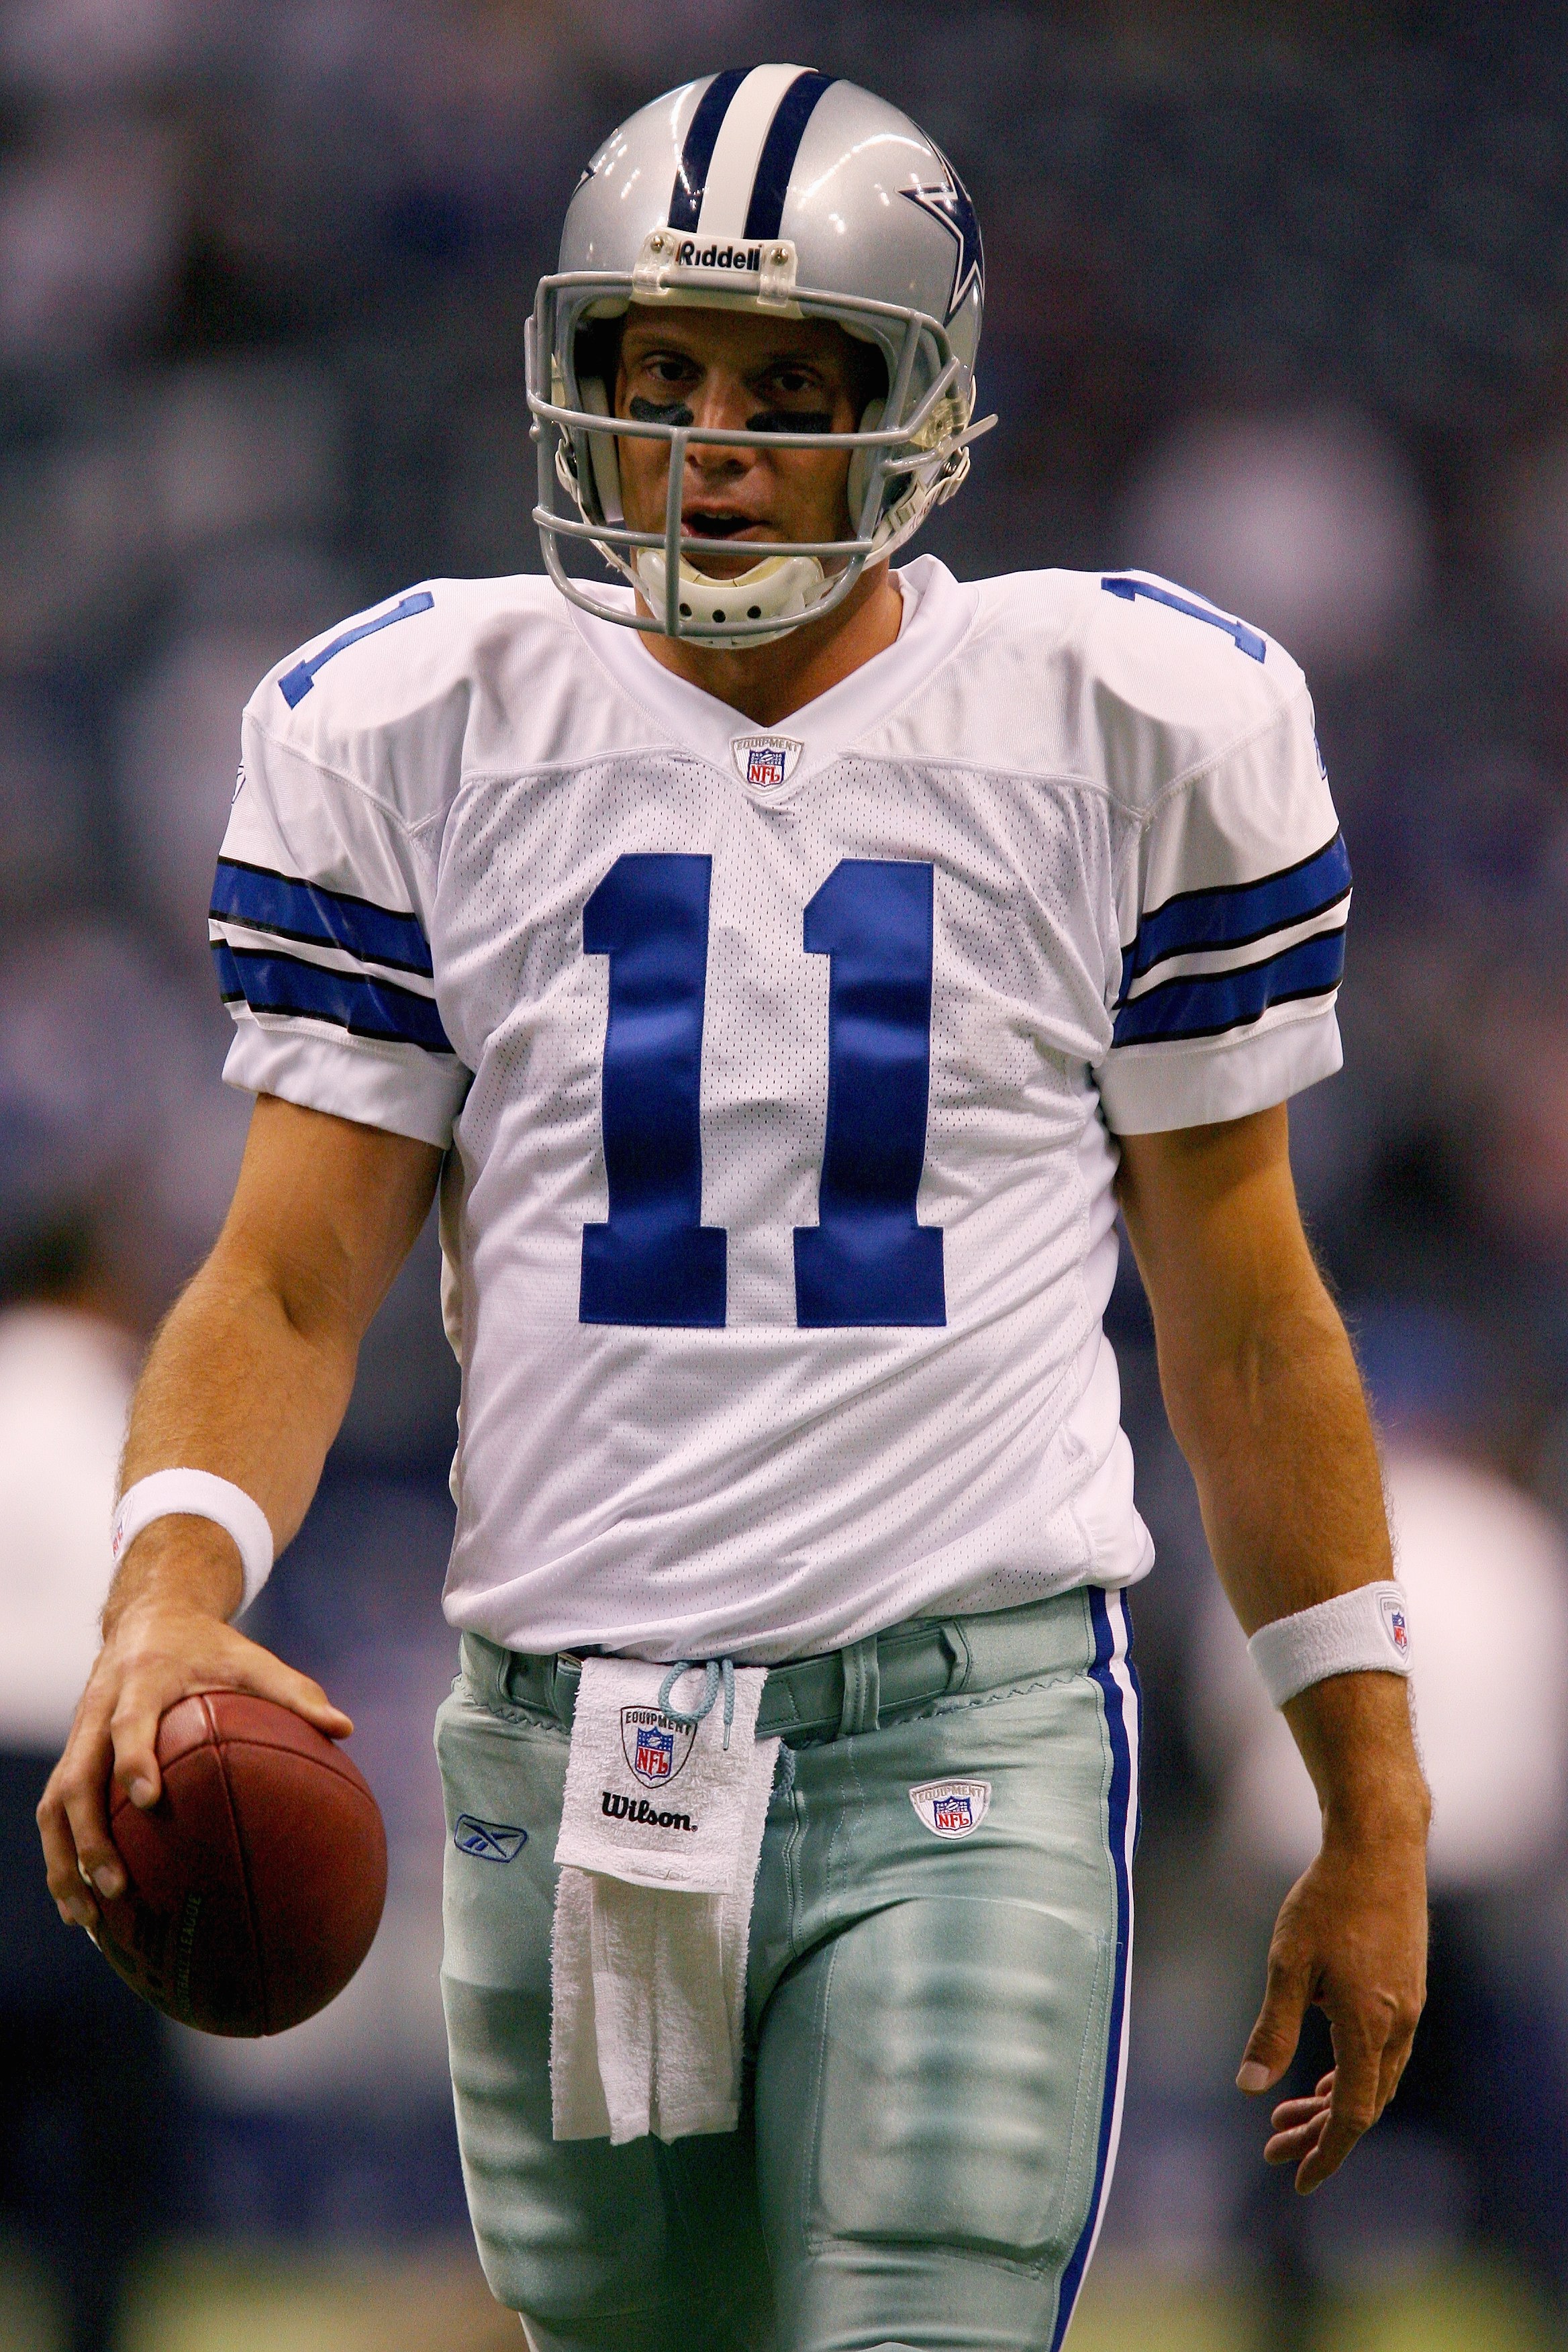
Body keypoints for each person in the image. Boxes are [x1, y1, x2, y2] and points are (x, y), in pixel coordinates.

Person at [39, 66, 1428, 2352]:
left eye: (793, 385)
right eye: (658, 372)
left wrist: (1368, 1800)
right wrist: (165, 1603)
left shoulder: (1127, 722)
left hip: (960, 1732)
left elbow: (1254, 1323)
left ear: (924, 405)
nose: (712, 436)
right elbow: (287, 1278)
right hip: (566, 1745)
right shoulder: (420, 725)